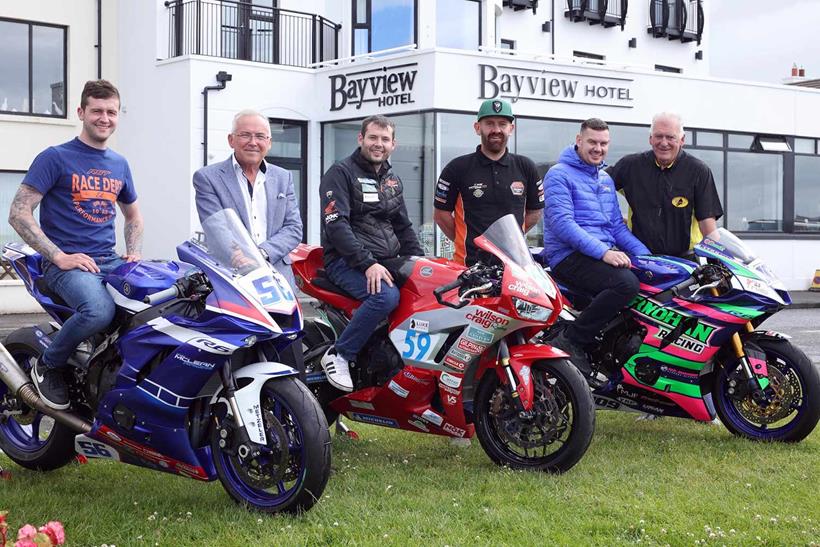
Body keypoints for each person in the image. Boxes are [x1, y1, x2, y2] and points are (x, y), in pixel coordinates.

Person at [8, 80, 143, 410]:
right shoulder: (55, 157)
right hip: (64, 265)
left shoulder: (119, 164)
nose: (104, 118)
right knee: (98, 311)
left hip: (108, 260)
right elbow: (18, 212)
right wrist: (59, 256)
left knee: (159, 303)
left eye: (111, 112)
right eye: (97, 110)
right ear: (81, 112)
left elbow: (134, 216)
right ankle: (49, 365)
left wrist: (134, 252)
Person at [192, 109, 304, 374]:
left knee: (288, 359)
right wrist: (240, 256)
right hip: (233, 278)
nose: (253, 142)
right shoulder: (208, 177)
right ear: (231, 140)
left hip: (277, 280)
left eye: (260, 136)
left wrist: (261, 253)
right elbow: (217, 227)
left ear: (269, 142)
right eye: (245, 135)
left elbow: (293, 227)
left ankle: (292, 413)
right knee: (239, 359)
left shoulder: (283, 177)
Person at [319, 115, 423, 391]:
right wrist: (367, 264)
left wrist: (422, 262)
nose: (378, 144)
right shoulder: (340, 173)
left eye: (384, 139)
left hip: (386, 260)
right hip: (346, 261)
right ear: (361, 139)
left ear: (393, 144)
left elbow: (403, 226)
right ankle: (340, 354)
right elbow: (336, 224)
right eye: (373, 138)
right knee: (385, 296)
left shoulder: (391, 179)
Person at [542, 118, 650, 377]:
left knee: (650, 279)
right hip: (567, 256)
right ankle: (573, 338)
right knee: (625, 284)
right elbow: (563, 224)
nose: (598, 148)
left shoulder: (604, 178)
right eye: (592, 142)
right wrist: (604, 252)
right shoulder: (559, 174)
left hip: (598, 255)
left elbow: (616, 227)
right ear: (579, 140)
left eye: (603, 143)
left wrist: (649, 258)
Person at [434, 99, 543, 266]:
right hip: (467, 266)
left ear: (511, 129)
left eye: (502, 124)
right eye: (489, 123)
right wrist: (465, 241)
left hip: (515, 265)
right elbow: (441, 216)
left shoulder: (526, 167)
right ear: (478, 128)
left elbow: (534, 214)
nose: (496, 130)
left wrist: (511, 239)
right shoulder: (457, 168)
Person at [608, 112, 723, 258]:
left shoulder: (698, 171)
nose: (664, 143)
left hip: (685, 263)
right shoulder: (630, 166)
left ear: (682, 140)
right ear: (650, 139)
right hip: (640, 259)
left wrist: (721, 261)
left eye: (670, 137)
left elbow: (709, 229)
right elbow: (595, 185)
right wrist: (614, 219)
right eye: (658, 136)